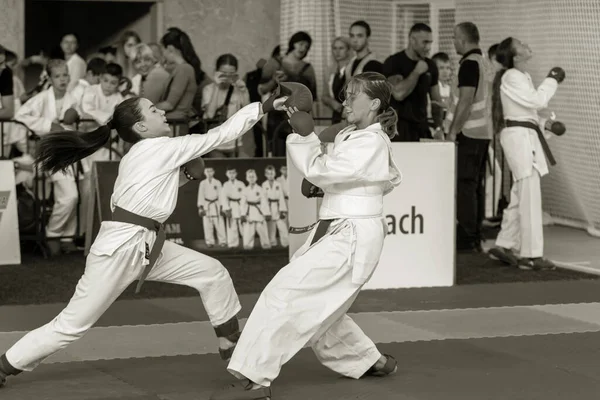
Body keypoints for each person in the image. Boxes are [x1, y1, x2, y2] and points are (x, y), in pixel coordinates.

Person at [0, 93, 290, 388]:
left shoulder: (139, 155)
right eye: (153, 110)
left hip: (145, 244)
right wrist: (264, 107)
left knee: (212, 272)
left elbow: (147, 200)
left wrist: (185, 178)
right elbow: (221, 134)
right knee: (70, 326)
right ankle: (3, 365)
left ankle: (230, 344)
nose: (162, 111)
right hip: (122, 248)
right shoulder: (160, 148)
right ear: (141, 127)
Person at [211, 72, 402, 400]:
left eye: (353, 96)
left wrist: (304, 137)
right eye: (344, 95)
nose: (345, 102)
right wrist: (328, 184)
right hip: (340, 229)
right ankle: (370, 361)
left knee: (284, 294)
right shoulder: (354, 135)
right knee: (323, 308)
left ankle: (255, 381)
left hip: (351, 234)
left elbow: (324, 169)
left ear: (373, 103)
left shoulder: (369, 140)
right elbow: (362, 178)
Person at [487, 37, 565, 270]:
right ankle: (531, 254)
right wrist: (552, 80)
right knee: (530, 195)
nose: (527, 44)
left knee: (521, 193)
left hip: (523, 135)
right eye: (521, 44)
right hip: (520, 139)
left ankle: (504, 244)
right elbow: (537, 101)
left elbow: (525, 113)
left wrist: (546, 125)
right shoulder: (512, 76)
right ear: (516, 56)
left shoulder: (520, 77)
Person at [14, 59, 81, 255]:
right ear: (50, 79)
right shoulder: (42, 98)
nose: (62, 79)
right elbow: (20, 115)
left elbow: (77, 119)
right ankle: (53, 233)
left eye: (65, 75)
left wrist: (75, 116)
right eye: (58, 76)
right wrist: (47, 125)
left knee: (68, 195)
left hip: (68, 151)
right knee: (70, 195)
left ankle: (66, 237)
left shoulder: (73, 98)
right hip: (49, 152)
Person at [445, 22, 491, 252]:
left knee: (465, 185)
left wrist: (452, 131)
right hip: (483, 133)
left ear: (462, 40)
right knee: (474, 187)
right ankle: (475, 235)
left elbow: (465, 101)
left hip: (469, 133)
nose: (453, 42)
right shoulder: (482, 63)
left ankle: (467, 237)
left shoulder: (469, 65)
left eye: (454, 38)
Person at [259, 31, 318, 156]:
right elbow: (261, 89)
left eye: (306, 47)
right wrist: (273, 81)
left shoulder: (308, 68)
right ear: (293, 43)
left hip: (299, 114)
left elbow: (314, 98)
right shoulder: (274, 63)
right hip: (276, 114)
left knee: (299, 154)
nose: (303, 48)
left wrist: (314, 122)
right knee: (276, 152)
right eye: (301, 44)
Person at [383, 23, 444, 141]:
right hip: (397, 129)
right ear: (412, 40)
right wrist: (416, 72)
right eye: (425, 42)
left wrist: (438, 128)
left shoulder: (431, 65)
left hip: (421, 127)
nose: (428, 47)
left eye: (430, 42)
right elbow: (399, 94)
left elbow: (436, 101)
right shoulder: (394, 62)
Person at [203, 54, 251, 158]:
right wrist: (217, 86)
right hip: (215, 144)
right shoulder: (208, 89)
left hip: (236, 143)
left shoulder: (239, 89)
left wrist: (244, 92)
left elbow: (249, 115)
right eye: (223, 74)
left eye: (231, 75)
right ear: (216, 72)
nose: (227, 78)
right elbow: (210, 114)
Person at [157, 27, 202, 135]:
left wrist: (146, 108)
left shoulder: (184, 69)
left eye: (163, 49)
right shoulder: (180, 69)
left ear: (170, 49)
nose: (162, 54)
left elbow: (169, 104)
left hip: (175, 125)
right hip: (172, 124)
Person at [240, 169, 271, 250]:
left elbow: (264, 202)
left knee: (263, 230)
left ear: (256, 178)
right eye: (249, 177)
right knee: (248, 231)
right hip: (249, 212)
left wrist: (267, 213)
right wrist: (243, 214)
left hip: (259, 212)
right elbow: (243, 203)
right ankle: (247, 246)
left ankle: (266, 245)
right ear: (247, 178)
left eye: (253, 176)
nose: (251, 178)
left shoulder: (261, 189)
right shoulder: (245, 190)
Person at [198, 166, 227, 248]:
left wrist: (222, 207)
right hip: (207, 205)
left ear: (213, 172)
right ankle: (209, 242)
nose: (209, 173)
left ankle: (222, 241)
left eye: (211, 171)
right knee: (207, 225)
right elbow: (201, 196)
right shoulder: (203, 183)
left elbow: (221, 195)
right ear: (204, 172)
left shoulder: (217, 182)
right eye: (207, 171)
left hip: (216, 205)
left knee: (220, 224)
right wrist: (200, 207)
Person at [262, 165, 288, 247]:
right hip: (269, 208)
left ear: (275, 174)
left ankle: (286, 244)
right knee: (271, 228)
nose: (270, 175)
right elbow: (264, 199)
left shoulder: (278, 184)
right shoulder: (264, 184)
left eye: (272, 173)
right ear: (266, 175)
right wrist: (266, 213)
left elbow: (281, 197)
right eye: (268, 174)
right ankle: (272, 243)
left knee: (282, 227)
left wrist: (282, 210)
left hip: (277, 207)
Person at [220, 167, 246, 248]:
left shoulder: (241, 184)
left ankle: (247, 242)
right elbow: (223, 198)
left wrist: (244, 210)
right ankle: (232, 244)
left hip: (240, 205)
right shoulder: (225, 185)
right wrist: (226, 209)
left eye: (233, 173)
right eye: (230, 173)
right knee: (232, 225)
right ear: (227, 174)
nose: (231, 175)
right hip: (231, 206)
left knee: (244, 225)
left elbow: (244, 197)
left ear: (236, 174)